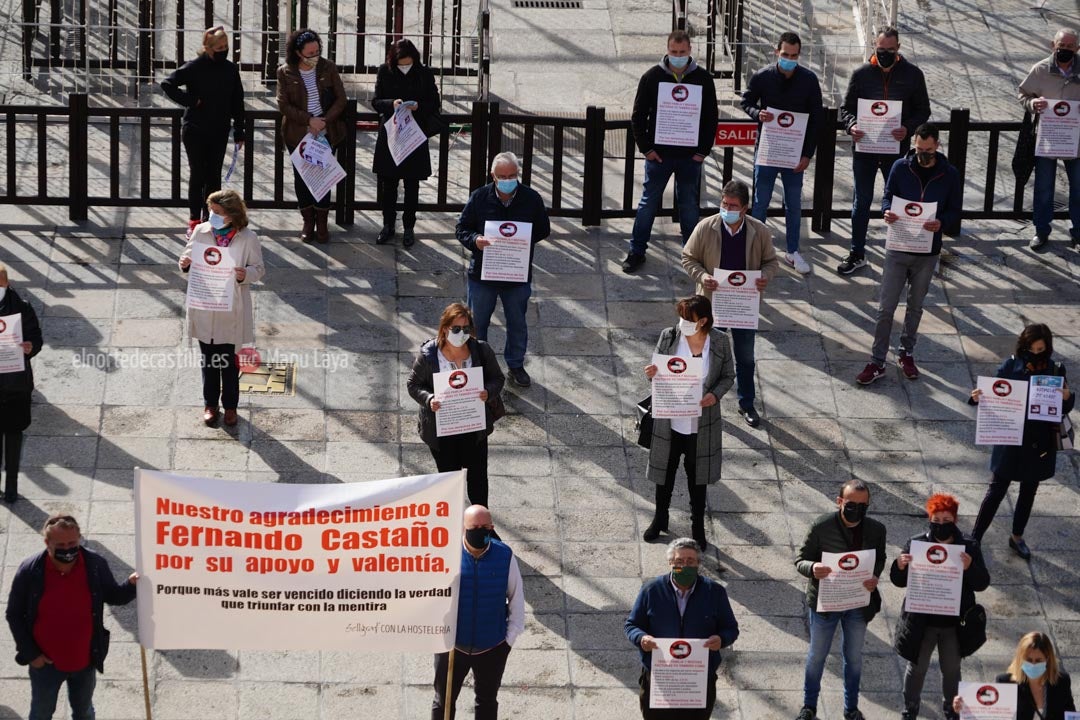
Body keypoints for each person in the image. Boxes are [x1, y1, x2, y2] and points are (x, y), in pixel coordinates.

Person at [856, 123, 961, 385]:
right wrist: (888, 211)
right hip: (898, 246)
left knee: (915, 306)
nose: (923, 154)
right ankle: (877, 360)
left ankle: (907, 351)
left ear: (937, 145)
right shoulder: (900, 167)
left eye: (928, 149)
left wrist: (942, 223)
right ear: (913, 144)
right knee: (885, 308)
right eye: (919, 149)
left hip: (927, 250)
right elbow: (887, 196)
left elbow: (955, 211)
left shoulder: (949, 174)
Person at [5, 514, 138, 720]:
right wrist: (32, 655)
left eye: (72, 543)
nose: (68, 549)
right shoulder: (30, 570)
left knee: (83, 712)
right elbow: (14, 614)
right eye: (61, 544)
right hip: (46, 663)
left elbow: (113, 596)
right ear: (47, 543)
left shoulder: (94, 564)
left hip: (84, 661)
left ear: (79, 539)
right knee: (41, 713)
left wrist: (131, 586)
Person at [968, 323, 1073, 560]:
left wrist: (1068, 397)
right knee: (996, 491)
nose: (1036, 354)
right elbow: (993, 394)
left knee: (1029, 491)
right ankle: (975, 538)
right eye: (1032, 349)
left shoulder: (1056, 369)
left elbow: (1063, 408)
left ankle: (1017, 536)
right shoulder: (1009, 365)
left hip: (1040, 443)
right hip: (1011, 439)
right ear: (1024, 345)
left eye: (1040, 349)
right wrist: (977, 397)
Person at [682, 179, 779, 428]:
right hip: (712, 304)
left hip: (743, 306)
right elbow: (688, 257)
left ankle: (746, 403)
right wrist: (703, 277)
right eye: (724, 203)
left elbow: (770, 262)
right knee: (704, 354)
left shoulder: (759, 231)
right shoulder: (706, 227)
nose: (727, 209)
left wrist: (765, 278)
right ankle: (697, 399)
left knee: (745, 357)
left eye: (733, 205)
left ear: (745, 208)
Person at [621, 29, 719, 274]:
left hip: (690, 157)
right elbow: (638, 116)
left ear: (690, 51)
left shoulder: (704, 79)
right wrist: (647, 149)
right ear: (667, 50)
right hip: (659, 156)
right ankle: (636, 251)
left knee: (688, 206)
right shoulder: (652, 76)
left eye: (682, 52)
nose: (678, 56)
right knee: (647, 204)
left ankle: (691, 254)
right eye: (674, 52)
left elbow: (711, 118)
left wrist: (702, 152)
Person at [641, 296, 735, 550]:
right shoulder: (669, 336)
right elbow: (658, 371)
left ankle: (697, 528)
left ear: (703, 321)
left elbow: (728, 376)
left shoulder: (719, 341)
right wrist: (652, 373)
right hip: (669, 421)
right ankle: (660, 518)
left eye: (688, 319)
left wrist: (714, 395)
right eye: (680, 317)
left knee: (698, 479)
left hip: (701, 425)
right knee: (664, 474)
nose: (682, 323)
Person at [837, 26, 932, 275]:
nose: (885, 54)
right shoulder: (861, 74)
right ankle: (857, 252)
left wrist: (908, 128)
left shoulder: (913, 75)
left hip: (896, 151)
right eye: (881, 50)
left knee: (902, 202)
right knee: (862, 201)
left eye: (890, 50)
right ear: (874, 46)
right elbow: (845, 109)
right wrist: (852, 125)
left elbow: (923, 110)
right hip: (866, 149)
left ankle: (905, 253)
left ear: (898, 48)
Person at [793, 478, 887, 720]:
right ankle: (809, 706)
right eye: (851, 504)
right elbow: (800, 560)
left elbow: (880, 557)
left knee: (854, 658)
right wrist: (813, 567)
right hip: (826, 602)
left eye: (863, 505)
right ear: (839, 502)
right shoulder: (821, 527)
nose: (857, 510)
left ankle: (851, 708)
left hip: (857, 603)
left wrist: (875, 576)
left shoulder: (876, 530)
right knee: (817, 656)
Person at [455, 151, 551, 388]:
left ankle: (516, 365)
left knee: (517, 322)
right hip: (483, 275)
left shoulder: (531, 198)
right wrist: (475, 239)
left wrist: (521, 241)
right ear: (493, 176)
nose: (508, 180)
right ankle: (478, 366)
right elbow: (462, 228)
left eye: (512, 175)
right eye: (502, 176)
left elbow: (543, 229)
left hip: (515, 274)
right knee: (477, 324)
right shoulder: (479, 197)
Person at [891, 493, 990, 720]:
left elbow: (982, 583)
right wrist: (899, 565)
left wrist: (970, 567)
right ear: (929, 519)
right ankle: (911, 708)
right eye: (936, 520)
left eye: (946, 521)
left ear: (954, 521)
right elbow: (898, 581)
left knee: (952, 670)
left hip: (953, 624)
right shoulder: (916, 544)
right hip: (921, 621)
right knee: (916, 668)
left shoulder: (969, 546)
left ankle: (951, 709)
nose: (941, 526)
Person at [624, 537, 739, 719]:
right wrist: (641, 638)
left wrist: (722, 639)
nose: (684, 566)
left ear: (699, 564)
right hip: (660, 677)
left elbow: (731, 628)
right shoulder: (651, 590)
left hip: (698, 677)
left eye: (690, 561)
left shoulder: (714, 592)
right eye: (679, 561)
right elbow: (632, 625)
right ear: (670, 563)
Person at [178, 189, 265, 428]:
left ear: (231, 214)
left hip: (231, 309)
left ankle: (230, 407)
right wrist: (185, 264)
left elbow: (259, 268)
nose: (211, 216)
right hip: (205, 304)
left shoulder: (247, 238)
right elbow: (187, 257)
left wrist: (244, 274)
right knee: (208, 360)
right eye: (210, 211)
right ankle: (210, 404)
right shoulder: (201, 231)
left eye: (217, 212)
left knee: (228, 362)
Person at [740, 31, 825, 275]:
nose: (789, 59)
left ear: (799, 55)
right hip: (767, 150)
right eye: (785, 54)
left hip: (794, 153)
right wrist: (758, 114)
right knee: (760, 202)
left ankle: (792, 251)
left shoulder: (809, 80)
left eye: (794, 55)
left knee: (793, 204)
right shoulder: (762, 77)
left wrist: (807, 154)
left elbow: (816, 118)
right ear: (776, 52)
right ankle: (755, 252)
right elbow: (746, 102)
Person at [406, 303, 506, 507]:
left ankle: (479, 523)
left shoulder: (481, 350)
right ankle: (452, 520)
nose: (462, 334)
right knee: (449, 480)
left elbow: (497, 378)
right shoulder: (429, 355)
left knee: (478, 478)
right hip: (442, 430)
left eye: (466, 329)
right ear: (445, 328)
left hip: (473, 425)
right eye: (456, 329)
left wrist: (488, 392)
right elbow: (413, 384)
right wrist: (429, 399)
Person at [432, 504, 524, 720]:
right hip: (452, 647)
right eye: (475, 526)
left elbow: (517, 600)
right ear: (464, 527)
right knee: (442, 702)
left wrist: (507, 642)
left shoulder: (504, 556)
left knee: (487, 702)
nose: (481, 530)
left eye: (486, 526)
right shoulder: (446, 554)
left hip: (492, 648)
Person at [161, 26, 246, 239]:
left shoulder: (229, 69)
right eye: (219, 47)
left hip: (219, 129)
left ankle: (212, 219)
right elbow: (167, 83)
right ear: (208, 48)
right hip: (195, 130)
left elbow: (237, 100)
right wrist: (191, 101)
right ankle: (194, 219)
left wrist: (240, 131)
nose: (223, 50)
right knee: (198, 173)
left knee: (214, 176)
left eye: (226, 47)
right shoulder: (195, 67)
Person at [276, 28, 347, 244]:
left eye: (317, 51)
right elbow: (283, 104)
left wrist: (323, 120)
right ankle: (308, 221)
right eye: (310, 53)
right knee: (302, 177)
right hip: (299, 134)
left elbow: (340, 99)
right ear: (298, 53)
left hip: (325, 131)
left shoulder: (328, 67)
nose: (315, 56)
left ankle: (322, 221)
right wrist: (308, 120)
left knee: (322, 177)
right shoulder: (285, 71)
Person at [372, 38, 440, 247]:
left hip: (414, 134)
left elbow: (434, 102)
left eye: (408, 64)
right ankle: (388, 225)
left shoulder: (424, 73)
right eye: (401, 64)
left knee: (412, 185)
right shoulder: (384, 71)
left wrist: (418, 106)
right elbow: (375, 102)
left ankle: (409, 226)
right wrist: (391, 104)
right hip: (392, 134)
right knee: (388, 184)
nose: (405, 68)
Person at [1018, 28, 1080, 250]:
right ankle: (1041, 231)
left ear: (1077, 48)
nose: (1065, 50)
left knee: (1079, 189)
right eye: (1061, 46)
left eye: (1070, 47)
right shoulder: (1040, 69)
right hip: (1048, 139)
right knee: (1044, 188)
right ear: (1053, 46)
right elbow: (1023, 94)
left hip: (1076, 142)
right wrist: (1033, 105)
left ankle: (1079, 233)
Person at [952, 631, 1075, 720]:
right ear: (1020, 659)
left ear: (1048, 660)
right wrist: (962, 709)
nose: (1033, 664)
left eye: (1038, 660)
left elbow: (1070, 715)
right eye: (1028, 659)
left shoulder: (1061, 682)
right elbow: (989, 714)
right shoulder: (1005, 683)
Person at [0, 262, 43, 503]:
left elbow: (36, 337)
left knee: (14, 436)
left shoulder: (22, 308)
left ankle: (12, 484)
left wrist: (30, 347)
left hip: (16, 384)